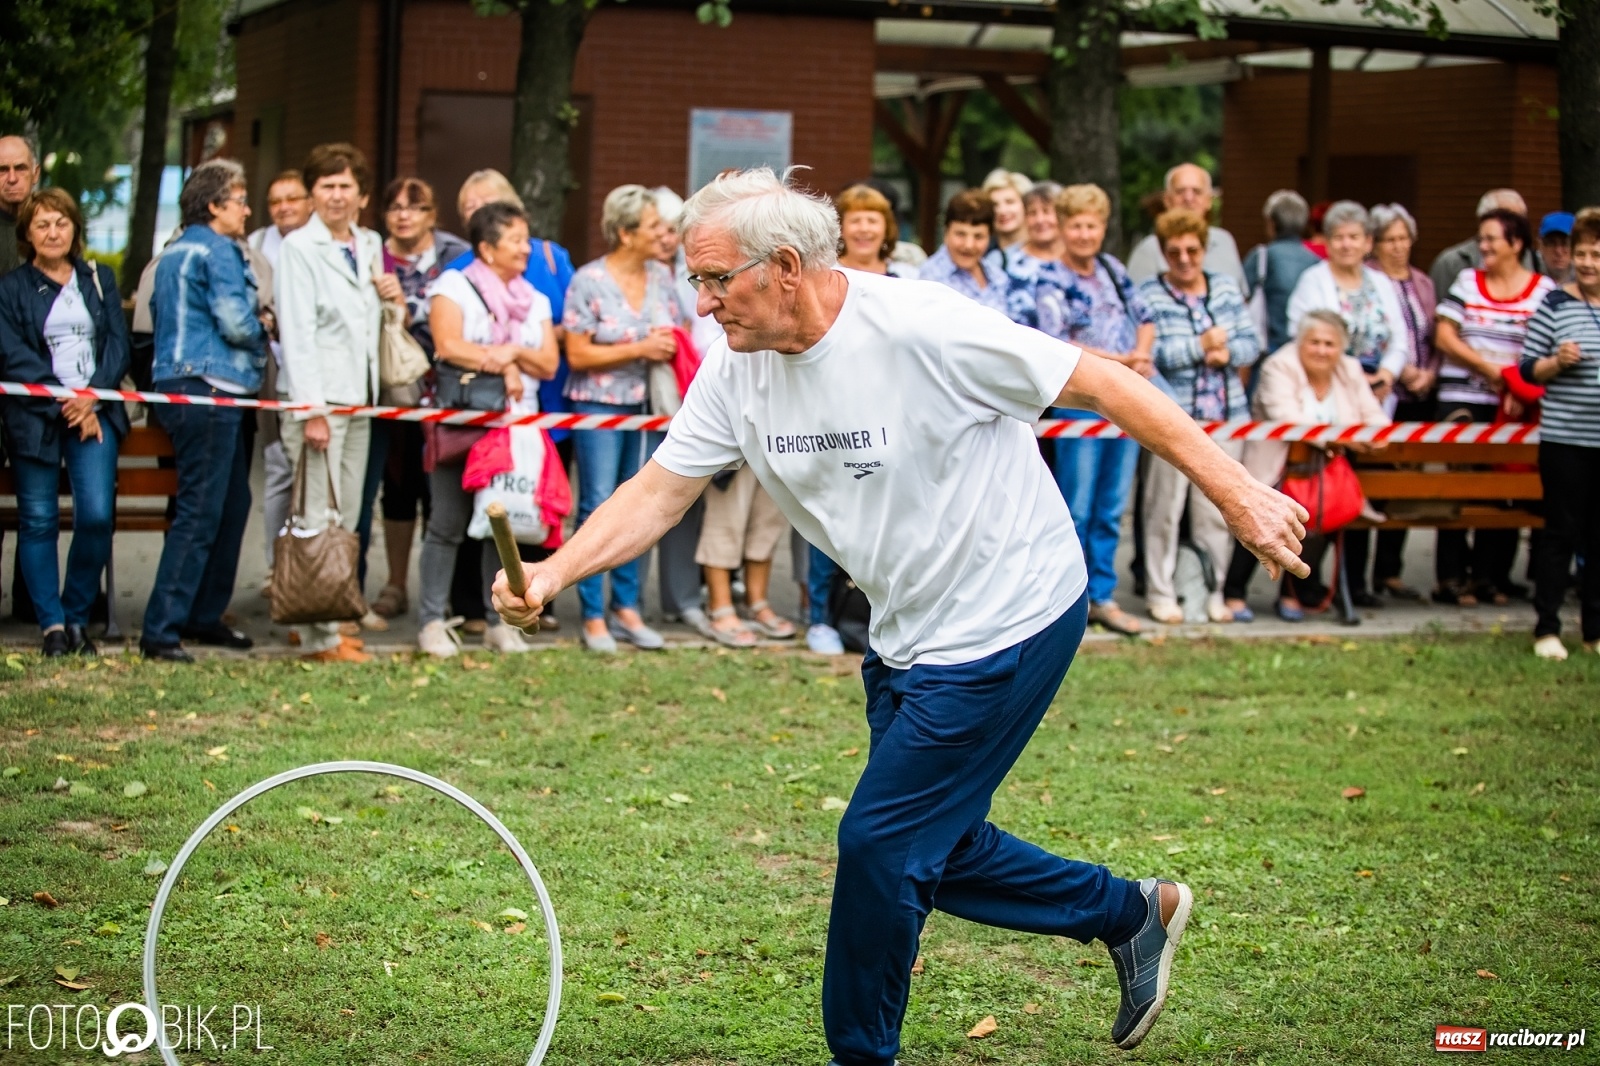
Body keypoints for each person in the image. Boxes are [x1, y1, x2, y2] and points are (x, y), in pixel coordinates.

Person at [491, 167, 1308, 1066]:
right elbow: (658, 491)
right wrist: (554, 570)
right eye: (698, 281)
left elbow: (1109, 388)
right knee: (938, 848)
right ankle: (1130, 913)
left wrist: (1238, 495)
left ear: (788, 267)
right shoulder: (737, 366)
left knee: (880, 842)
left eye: (720, 280)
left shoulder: (922, 324)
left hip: (1012, 611)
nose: (706, 301)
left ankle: (860, 1056)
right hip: (906, 626)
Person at [138, 161, 270, 662]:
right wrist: (266, 325)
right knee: (200, 512)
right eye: (239, 199)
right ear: (214, 205)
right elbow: (237, 325)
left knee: (232, 504)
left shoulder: (173, 251)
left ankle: (201, 614)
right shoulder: (219, 250)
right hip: (211, 390)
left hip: (182, 384)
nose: (246, 209)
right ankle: (162, 630)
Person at [414, 201, 558, 658]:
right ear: (486, 247)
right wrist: (501, 364)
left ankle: (500, 624)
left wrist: (510, 352)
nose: (525, 248)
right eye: (516, 239)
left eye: (526, 238)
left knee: (503, 525)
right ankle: (432, 622)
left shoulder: (534, 297)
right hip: (464, 421)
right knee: (448, 523)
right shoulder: (453, 285)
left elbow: (549, 363)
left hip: (517, 427)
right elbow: (447, 344)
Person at [274, 142, 399, 663]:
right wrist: (311, 411)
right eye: (325, 186)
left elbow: (373, 323)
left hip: (360, 399)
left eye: (345, 185)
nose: (335, 195)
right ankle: (319, 635)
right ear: (312, 194)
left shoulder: (368, 242)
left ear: (361, 195)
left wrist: (392, 298)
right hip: (320, 402)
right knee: (315, 518)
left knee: (347, 519)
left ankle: (333, 618)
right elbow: (297, 333)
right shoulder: (299, 248)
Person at [1014, 183, 1155, 636]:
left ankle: (1105, 595)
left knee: (1112, 504)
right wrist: (1121, 362)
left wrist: (1142, 356)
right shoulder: (1051, 279)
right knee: (1076, 503)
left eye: (1092, 225)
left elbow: (1145, 314)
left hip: (1128, 395)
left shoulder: (1113, 269)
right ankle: (1069, 599)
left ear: (1103, 227)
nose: (1084, 233)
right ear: (1062, 227)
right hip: (1081, 402)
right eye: (1075, 225)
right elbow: (1056, 340)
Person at [0, 188, 129, 655]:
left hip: (94, 414)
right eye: (41, 225)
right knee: (38, 520)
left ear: (75, 229)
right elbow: (12, 355)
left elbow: (117, 344)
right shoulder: (10, 289)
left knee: (96, 516)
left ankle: (77, 616)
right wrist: (65, 403)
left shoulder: (99, 279)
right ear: (27, 235)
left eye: (61, 223)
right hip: (37, 416)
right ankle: (52, 626)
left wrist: (90, 400)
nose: (52, 232)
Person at [449, 169, 578, 632]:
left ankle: (539, 599)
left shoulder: (547, 257)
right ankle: (471, 606)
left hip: (543, 409)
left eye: (484, 204)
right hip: (483, 410)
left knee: (537, 509)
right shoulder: (460, 270)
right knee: (479, 514)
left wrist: (523, 352)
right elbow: (449, 338)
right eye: (467, 207)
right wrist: (503, 360)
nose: (475, 214)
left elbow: (568, 325)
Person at [562, 184, 684, 653]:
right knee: (595, 501)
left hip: (650, 407)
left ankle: (626, 607)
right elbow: (576, 352)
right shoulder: (589, 280)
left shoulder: (664, 276)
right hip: (598, 405)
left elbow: (677, 331)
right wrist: (639, 348)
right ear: (625, 232)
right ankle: (592, 613)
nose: (664, 234)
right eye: (654, 225)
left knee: (641, 503)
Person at [1285, 201, 1413, 607]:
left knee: (1362, 496)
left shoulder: (1380, 283)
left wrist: (1387, 376)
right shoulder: (1313, 280)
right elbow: (1302, 335)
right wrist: (1350, 374)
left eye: (1354, 237)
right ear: (1328, 241)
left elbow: (1401, 337)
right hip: (1329, 392)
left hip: (1377, 396)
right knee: (1326, 498)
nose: (1346, 244)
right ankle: (1315, 585)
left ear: (1367, 243)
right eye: (1338, 236)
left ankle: (1356, 585)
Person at [1138, 208, 1260, 625]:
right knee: (1164, 510)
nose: (1185, 259)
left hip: (1226, 418)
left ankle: (1213, 592)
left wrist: (1228, 353)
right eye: (1175, 252)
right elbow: (1151, 357)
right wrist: (1199, 345)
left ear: (1204, 249)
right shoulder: (1149, 296)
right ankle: (1161, 592)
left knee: (1219, 510)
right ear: (1163, 253)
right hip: (1171, 420)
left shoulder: (1225, 289)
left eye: (1192, 250)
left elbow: (1251, 342)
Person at [1433, 207, 1556, 606]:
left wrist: (1518, 389)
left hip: (1517, 406)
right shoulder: (1467, 281)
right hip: (1463, 401)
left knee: (1505, 488)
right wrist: (1491, 370)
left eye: (1490, 239)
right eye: (1481, 238)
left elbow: (1544, 348)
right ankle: (1451, 577)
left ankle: (1490, 577)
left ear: (1515, 243)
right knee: (1458, 484)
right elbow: (1445, 336)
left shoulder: (1541, 290)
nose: (1481, 246)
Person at [1231, 312, 1390, 619]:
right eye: (1313, 342)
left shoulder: (1350, 368)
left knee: (1318, 521)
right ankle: (1234, 592)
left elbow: (1374, 417)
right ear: (1299, 342)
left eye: (1329, 344)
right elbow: (1289, 418)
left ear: (1341, 347)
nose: (1321, 350)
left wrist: (1373, 436)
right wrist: (1348, 438)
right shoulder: (1279, 365)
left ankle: (1292, 594)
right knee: (1258, 521)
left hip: (1323, 474)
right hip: (1276, 466)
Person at [364, 177, 470, 625]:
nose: (404, 214)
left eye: (415, 206)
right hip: (395, 391)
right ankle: (394, 584)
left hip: (447, 389)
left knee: (441, 494)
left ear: (432, 213)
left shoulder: (456, 255)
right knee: (399, 487)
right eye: (395, 207)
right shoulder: (372, 254)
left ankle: (439, 592)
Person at [1521, 207, 1600, 660]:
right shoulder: (1554, 303)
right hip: (1565, 440)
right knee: (1560, 534)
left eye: (1595, 253)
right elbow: (1529, 368)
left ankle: (1594, 630)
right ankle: (1547, 628)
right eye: (1581, 252)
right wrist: (1557, 362)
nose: (1586, 261)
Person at [1364, 203, 1440, 602]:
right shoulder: (1371, 279)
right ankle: (1362, 576)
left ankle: (1390, 569)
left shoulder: (1423, 283)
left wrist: (1429, 372)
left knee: (1406, 480)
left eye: (1402, 238)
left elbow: (1435, 335)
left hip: (1421, 394)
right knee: (1375, 478)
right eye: (1388, 240)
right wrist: (1403, 370)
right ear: (1374, 245)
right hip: (1385, 392)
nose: (1397, 247)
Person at [248, 170, 314, 594]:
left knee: (316, 481)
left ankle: (313, 573)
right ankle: (278, 568)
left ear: (308, 201)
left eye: (292, 198)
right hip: (272, 374)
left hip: (319, 376)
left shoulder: (321, 244)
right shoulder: (256, 245)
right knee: (279, 471)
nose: (284, 207)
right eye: (276, 201)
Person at [695, 464, 796, 647]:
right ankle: (719, 608)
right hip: (733, 442)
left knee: (768, 522)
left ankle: (756, 603)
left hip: (777, 443)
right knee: (725, 519)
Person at [1126, 164, 1246, 288]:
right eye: (1180, 192)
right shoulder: (1149, 248)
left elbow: (1241, 297)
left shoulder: (1224, 241)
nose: (1188, 198)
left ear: (1209, 200)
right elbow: (1134, 300)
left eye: (1197, 191)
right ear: (1167, 200)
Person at [1242, 190, 1320, 353]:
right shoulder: (1316, 261)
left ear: (1271, 223)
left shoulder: (1261, 256)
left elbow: (1241, 297)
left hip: (1268, 349)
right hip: (1305, 350)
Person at [920, 188, 1012, 316]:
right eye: (960, 234)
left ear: (990, 237)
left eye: (978, 236)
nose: (969, 245)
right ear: (946, 232)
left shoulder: (997, 276)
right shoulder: (931, 278)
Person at [1428, 189, 1537, 296]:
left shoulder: (1536, 262)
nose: (1516, 228)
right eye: (1507, 221)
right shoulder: (1452, 265)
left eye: (1520, 221)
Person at [835, 184, 915, 278]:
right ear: (840, 228)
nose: (864, 229)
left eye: (872, 221)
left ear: (886, 229)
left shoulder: (910, 276)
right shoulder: (826, 275)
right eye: (855, 221)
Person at [0, 135, 42, 276]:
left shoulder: (52, 226)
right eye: (3, 170)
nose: (12, 178)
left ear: (35, 174)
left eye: (20, 168)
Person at [1012, 181, 1064, 266]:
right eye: (1032, 213)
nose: (1039, 220)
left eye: (1046, 211)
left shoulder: (1079, 256)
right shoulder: (1007, 261)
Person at [982, 168, 1032, 252]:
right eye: (995, 205)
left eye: (1010, 202)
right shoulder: (982, 254)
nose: (1002, 211)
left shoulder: (1046, 250)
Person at [1538, 211, 1575, 284]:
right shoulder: (1528, 276)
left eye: (1565, 243)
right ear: (1540, 246)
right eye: (1551, 243)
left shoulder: (1586, 280)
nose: (1558, 251)